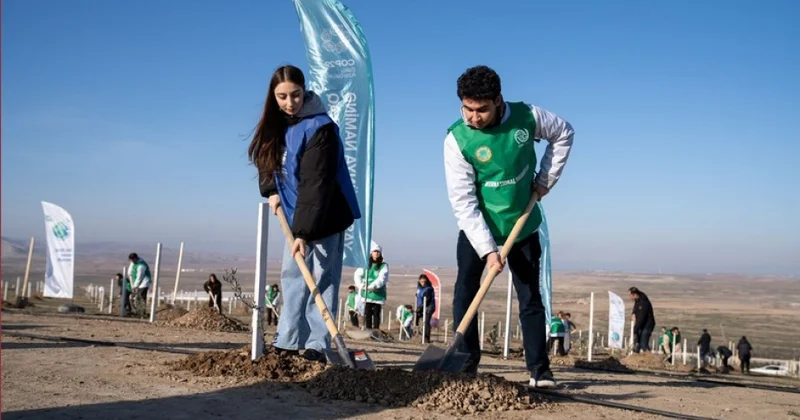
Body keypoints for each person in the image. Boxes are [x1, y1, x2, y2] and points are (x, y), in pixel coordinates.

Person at [443, 65, 574, 388]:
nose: (474, 117)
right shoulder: (457, 139)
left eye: (482, 110)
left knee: (530, 296)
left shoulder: (528, 117)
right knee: (465, 293)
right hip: (479, 228)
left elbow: (564, 133)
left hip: (522, 223)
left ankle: (539, 371)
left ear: (498, 101)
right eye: (467, 109)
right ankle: (464, 363)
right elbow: (463, 202)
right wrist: (488, 250)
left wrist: (545, 180)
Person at [248, 64, 361, 363]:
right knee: (292, 275)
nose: (289, 102)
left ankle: (317, 344)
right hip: (294, 214)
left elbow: (316, 183)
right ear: (273, 97)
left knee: (322, 279)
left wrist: (304, 233)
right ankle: (286, 341)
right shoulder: (276, 123)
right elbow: (266, 158)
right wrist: (270, 190)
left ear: (305, 90)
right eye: (282, 96)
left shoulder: (320, 127)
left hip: (326, 213)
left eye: (295, 95)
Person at [353, 242, 389, 330]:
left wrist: (372, 287)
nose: (376, 253)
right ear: (371, 253)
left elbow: (382, 278)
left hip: (377, 293)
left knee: (376, 313)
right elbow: (357, 275)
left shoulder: (383, 266)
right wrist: (361, 285)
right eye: (374, 251)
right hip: (367, 294)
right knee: (368, 312)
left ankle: (376, 330)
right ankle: (368, 329)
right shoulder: (365, 265)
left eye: (378, 252)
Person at [629, 287, 656, 353]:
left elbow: (641, 318)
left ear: (635, 295)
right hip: (641, 325)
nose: (629, 297)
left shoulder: (643, 303)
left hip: (647, 325)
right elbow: (635, 309)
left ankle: (649, 358)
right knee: (638, 344)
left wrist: (635, 329)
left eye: (630, 295)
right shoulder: (638, 301)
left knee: (643, 344)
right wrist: (633, 313)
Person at [415, 274, 436, 343]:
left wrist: (420, 308)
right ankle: (421, 337)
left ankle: (426, 339)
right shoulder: (419, 288)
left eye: (424, 281)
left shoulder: (429, 289)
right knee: (420, 322)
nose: (423, 283)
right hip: (421, 307)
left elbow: (427, 300)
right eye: (421, 281)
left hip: (429, 307)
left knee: (426, 322)